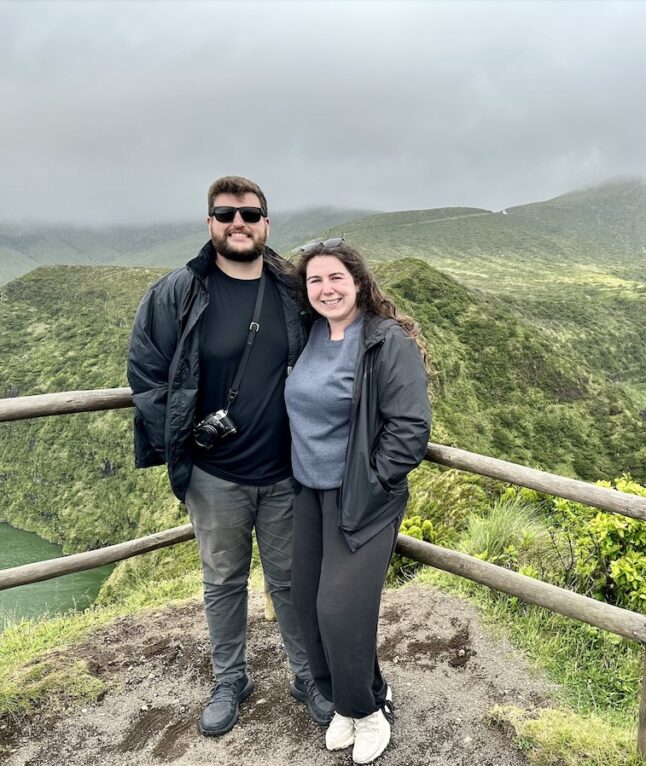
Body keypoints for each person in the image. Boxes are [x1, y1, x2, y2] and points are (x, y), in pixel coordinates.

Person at [127, 176, 333, 736]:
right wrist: (181, 437)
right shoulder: (180, 292)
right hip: (215, 474)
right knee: (223, 579)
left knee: (292, 580)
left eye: (249, 214)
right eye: (225, 214)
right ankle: (229, 677)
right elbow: (146, 372)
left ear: (266, 223)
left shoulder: (292, 290)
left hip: (287, 469)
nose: (237, 223)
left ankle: (308, 676)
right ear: (209, 224)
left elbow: (336, 341)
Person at [285, 238, 431, 764]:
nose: (326, 289)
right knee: (306, 605)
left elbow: (410, 426)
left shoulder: (384, 340)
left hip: (363, 500)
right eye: (315, 280)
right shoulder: (307, 336)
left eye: (336, 278)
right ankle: (351, 701)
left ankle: (370, 712)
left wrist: (371, 482)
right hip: (309, 495)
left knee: (340, 610)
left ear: (359, 282)